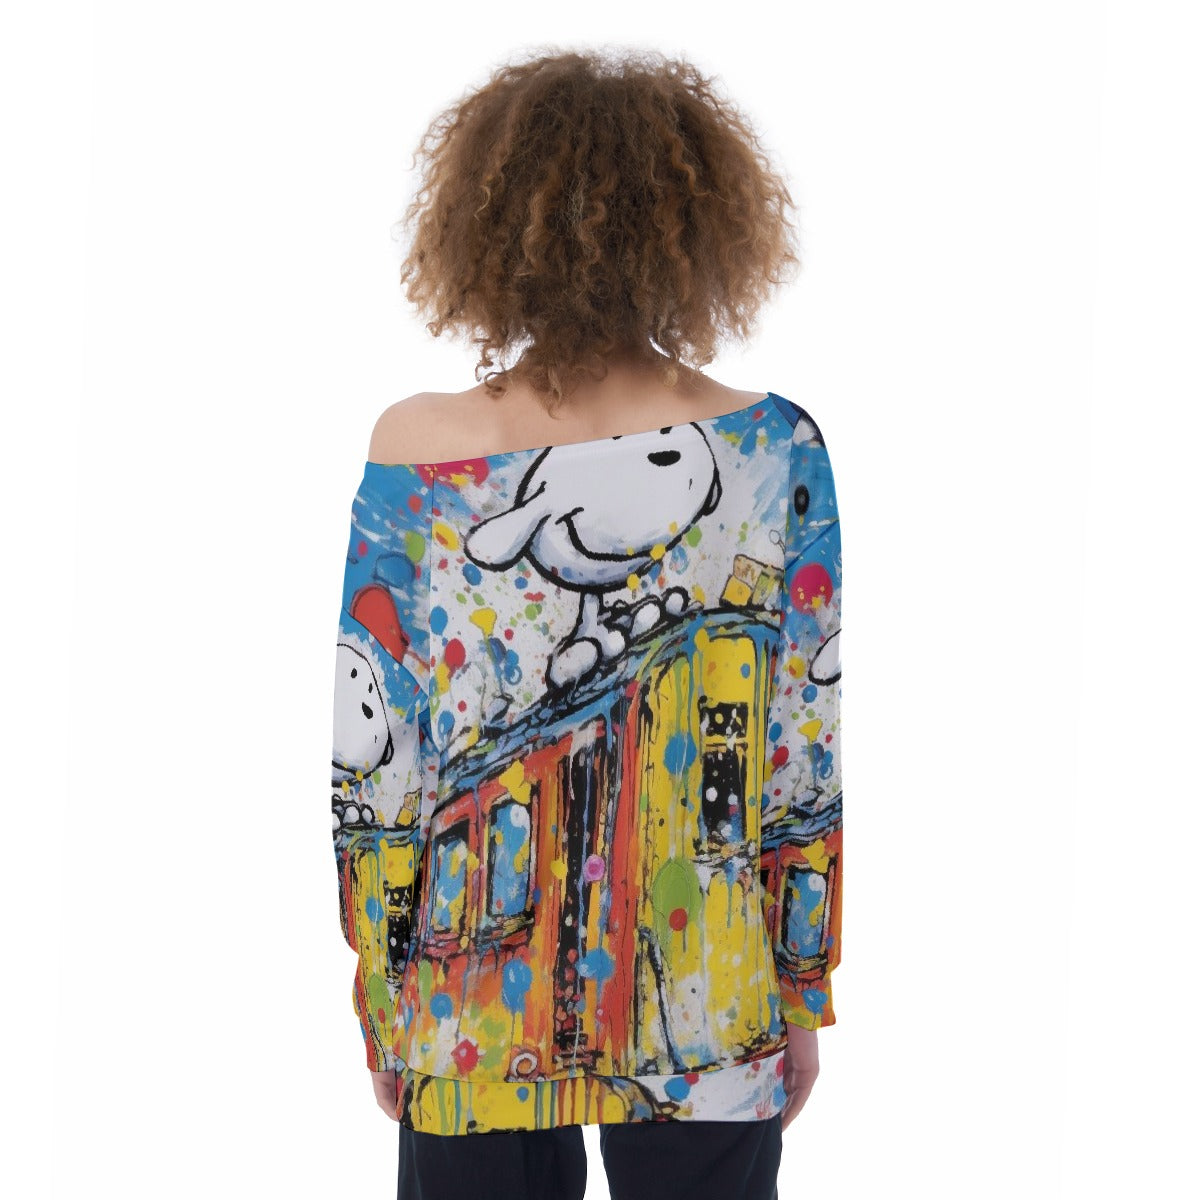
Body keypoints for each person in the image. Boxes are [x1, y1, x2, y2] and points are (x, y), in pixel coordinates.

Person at [329, 47, 843, 1200]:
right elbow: (800, 748)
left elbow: (380, 771)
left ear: (483, 227)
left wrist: (384, 1003)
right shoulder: (773, 445)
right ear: (696, 229)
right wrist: (799, 989)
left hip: (466, 1014)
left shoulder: (416, 448)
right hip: (715, 988)